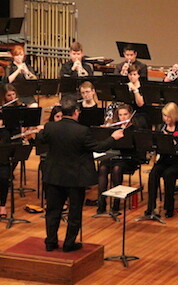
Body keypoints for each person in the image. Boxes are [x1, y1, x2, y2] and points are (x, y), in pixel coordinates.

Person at [35, 96, 124, 252]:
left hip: (54, 175)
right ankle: (69, 244)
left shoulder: (50, 127)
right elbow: (99, 147)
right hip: (75, 178)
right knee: (74, 212)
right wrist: (113, 138)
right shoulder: (82, 131)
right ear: (76, 112)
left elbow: (41, 139)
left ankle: (51, 242)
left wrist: (40, 131)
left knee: (52, 211)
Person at [145, 102, 178, 218]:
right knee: (153, 173)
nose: (166, 119)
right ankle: (151, 207)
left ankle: (169, 208)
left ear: (174, 116)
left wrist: (173, 143)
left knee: (168, 174)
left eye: (168, 116)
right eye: (164, 116)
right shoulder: (161, 127)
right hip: (165, 159)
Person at [97, 104, 143, 214]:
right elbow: (108, 145)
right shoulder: (114, 129)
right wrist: (105, 133)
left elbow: (138, 148)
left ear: (131, 115)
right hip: (114, 156)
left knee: (117, 169)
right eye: (120, 115)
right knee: (102, 167)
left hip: (129, 158)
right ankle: (101, 203)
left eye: (125, 114)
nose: (123, 117)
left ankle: (116, 203)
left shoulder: (136, 129)